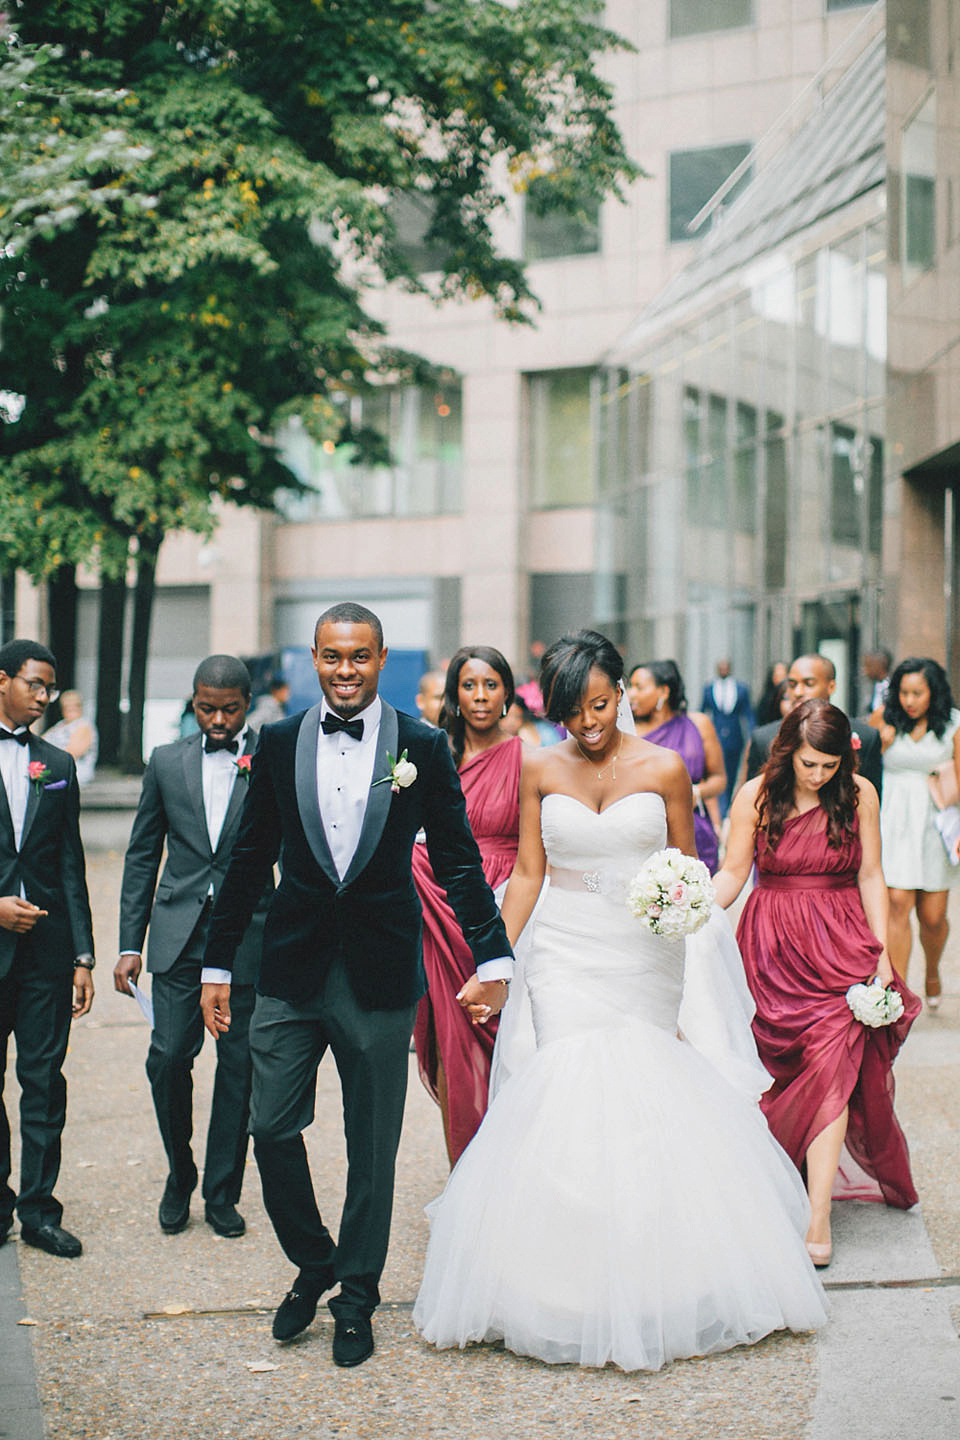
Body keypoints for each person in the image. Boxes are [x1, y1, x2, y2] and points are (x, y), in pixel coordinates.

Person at [415, 630, 827, 1372]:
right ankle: (564, 1285)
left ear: (622, 694)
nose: (591, 722)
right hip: (566, 948)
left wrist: (682, 911)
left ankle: (662, 1275)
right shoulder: (538, 767)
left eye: (602, 704)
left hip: (646, 948)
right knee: (570, 1080)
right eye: (574, 711)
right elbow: (531, 877)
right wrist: (494, 960)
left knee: (645, 1084)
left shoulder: (666, 767)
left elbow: (687, 867)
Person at [200, 603, 512, 1368]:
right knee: (269, 1125)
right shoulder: (277, 743)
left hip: (379, 971)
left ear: (381, 660)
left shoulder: (424, 745)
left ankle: (358, 1296)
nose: (346, 670)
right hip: (291, 968)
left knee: (372, 1147)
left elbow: (460, 860)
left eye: (360, 657)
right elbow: (246, 859)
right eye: (333, 657)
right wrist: (215, 964)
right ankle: (314, 1260)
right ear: (314, 657)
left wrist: (493, 958)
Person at [714, 699, 919, 1269]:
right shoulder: (756, 795)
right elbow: (734, 871)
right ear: (788, 752)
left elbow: (871, 874)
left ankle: (818, 1211)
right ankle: (776, 1172)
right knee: (775, 1067)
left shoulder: (859, 796)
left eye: (829, 765)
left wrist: (880, 953)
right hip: (772, 942)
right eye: (809, 764)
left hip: (841, 940)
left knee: (834, 1062)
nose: (819, 775)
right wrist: (693, 910)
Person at [114, 655, 272, 1239]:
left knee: (238, 1070)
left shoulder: (271, 757)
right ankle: (180, 1174)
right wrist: (130, 943)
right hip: (178, 937)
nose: (218, 720)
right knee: (170, 1059)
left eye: (229, 709)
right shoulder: (166, 762)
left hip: (249, 938)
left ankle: (223, 1192)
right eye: (206, 708)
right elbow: (140, 856)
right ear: (193, 701)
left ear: (247, 703)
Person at [0, 639, 95, 1259]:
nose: (44, 697)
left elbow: (69, 863)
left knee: (43, 1083)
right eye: (35, 684)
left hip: (47, 958)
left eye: (50, 688)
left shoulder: (56, 764)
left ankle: (38, 1210)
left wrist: (83, 955)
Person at [412, 646, 523, 1163]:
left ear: (507, 693)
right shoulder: (433, 753)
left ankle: (509, 1166)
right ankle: (464, 1171)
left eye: (491, 685)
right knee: (448, 1045)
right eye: (469, 685)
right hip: (437, 907)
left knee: (510, 1045)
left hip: (500, 907)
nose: (480, 696)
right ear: (455, 694)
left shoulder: (529, 757)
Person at [875, 657, 960, 1005]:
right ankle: (898, 990)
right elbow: (862, 766)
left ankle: (933, 969)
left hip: (935, 820)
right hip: (892, 818)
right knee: (897, 902)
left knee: (933, 916)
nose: (909, 700)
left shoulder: (953, 725)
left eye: (917, 693)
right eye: (904, 692)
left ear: (933, 693)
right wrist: (880, 741)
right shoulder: (883, 719)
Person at [628, 658, 725, 872]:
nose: (631, 694)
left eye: (639, 687)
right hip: (645, 832)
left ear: (663, 692)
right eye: (630, 687)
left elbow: (719, 778)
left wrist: (696, 792)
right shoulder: (628, 732)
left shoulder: (699, 724)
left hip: (695, 831)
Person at [745, 654, 883, 798]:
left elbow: (872, 801)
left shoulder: (866, 737)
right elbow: (755, 801)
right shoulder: (763, 738)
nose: (798, 692)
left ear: (831, 686)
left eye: (808, 684)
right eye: (792, 685)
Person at [700, 659, 753, 817]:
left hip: (735, 736)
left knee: (731, 772)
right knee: (715, 771)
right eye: (720, 667)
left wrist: (752, 734)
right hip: (715, 735)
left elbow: (748, 714)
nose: (723, 669)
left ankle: (728, 807)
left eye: (726, 667)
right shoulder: (709, 688)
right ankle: (719, 808)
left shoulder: (741, 688)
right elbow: (702, 711)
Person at [43, 690, 98, 787]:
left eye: (75, 706)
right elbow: (40, 742)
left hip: (74, 771)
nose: (70, 709)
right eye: (67, 707)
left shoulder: (84, 726)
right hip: (52, 766)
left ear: (80, 707)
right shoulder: (60, 725)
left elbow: (70, 755)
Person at [754, 662, 788, 727]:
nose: (781, 679)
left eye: (783, 676)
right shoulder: (766, 699)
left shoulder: (792, 694)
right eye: (777, 676)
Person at [863, 648, 892, 715]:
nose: (864, 671)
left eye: (868, 666)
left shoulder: (891, 687)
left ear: (879, 666)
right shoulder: (875, 686)